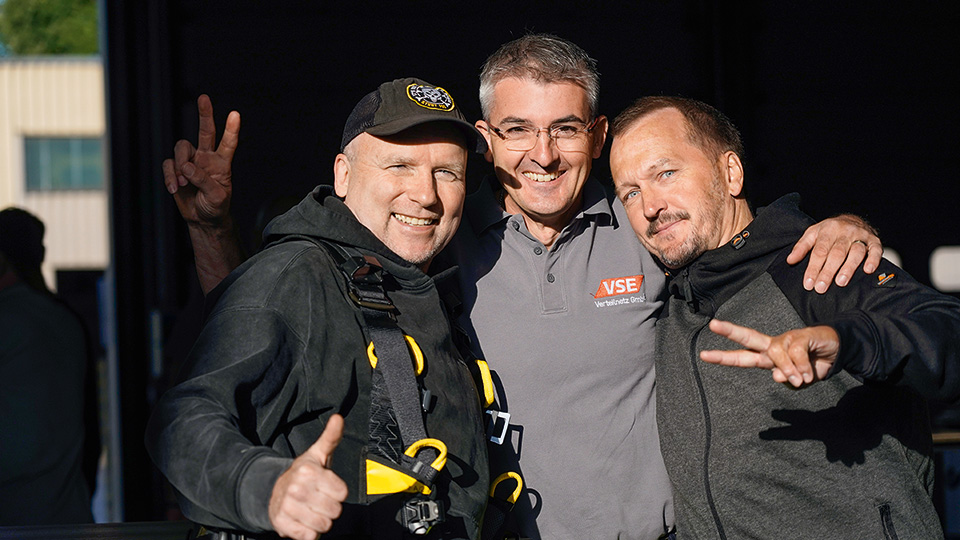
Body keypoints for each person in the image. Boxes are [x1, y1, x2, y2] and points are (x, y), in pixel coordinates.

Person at [162, 36, 882, 540]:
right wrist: (212, 235)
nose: (542, 154)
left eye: (565, 129)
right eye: (516, 130)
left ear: (596, 135)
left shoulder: (646, 228)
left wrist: (834, 228)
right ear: (487, 138)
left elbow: (732, 233)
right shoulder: (440, 249)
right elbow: (252, 344)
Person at [146, 78, 492, 540]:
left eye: (447, 172)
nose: (426, 195)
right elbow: (184, 418)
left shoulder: (431, 286)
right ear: (343, 175)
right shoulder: (298, 274)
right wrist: (268, 488)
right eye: (399, 165)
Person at [609, 95, 960, 539]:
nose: (650, 207)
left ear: (730, 172)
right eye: (631, 193)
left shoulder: (818, 266)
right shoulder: (665, 310)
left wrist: (850, 340)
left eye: (666, 173)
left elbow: (947, 330)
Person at [0, 208, 94, 525]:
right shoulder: (66, 321)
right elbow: (90, 429)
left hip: (14, 519)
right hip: (69, 517)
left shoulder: (8, 320)